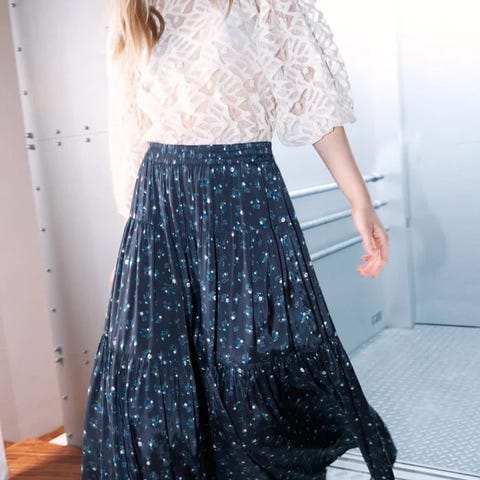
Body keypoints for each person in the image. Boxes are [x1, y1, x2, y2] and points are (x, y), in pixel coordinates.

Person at [81, 0, 397, 478]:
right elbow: (129, 130)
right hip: (161, 202)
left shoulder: (266, 4)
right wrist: (132, 249)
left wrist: (361, 201)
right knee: (157, 369)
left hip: (243, 194)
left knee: (250, 363)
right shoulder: (134, 8)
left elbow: (314, 105)